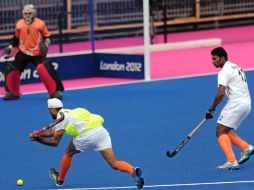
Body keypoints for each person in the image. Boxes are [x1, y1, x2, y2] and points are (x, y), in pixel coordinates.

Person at [29, 98, 144, 188]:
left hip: (86, 136)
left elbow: (55, 142)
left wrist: (37, 139)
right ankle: (132, 171)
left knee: (68, 153)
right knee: (114, 164)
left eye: (49, 110)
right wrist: (38, 133)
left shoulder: (60, 118)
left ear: (52, 110)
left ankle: (59, 180)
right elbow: (53, 131)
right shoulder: (69, 112)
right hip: (101, 132)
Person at [2, 4, 64, 100]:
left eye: (29, 13)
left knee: (45, 68)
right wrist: (10, 47)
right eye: (25, 13)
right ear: (23, 13)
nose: (27, 15)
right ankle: (12, 92)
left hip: (37, 53)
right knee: (12, 69)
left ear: (34, 13)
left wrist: (46, 43)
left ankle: (55, 91)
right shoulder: (19, 24)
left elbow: (48, 36)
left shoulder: (40, 24)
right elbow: (15, 39)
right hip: (22, 53)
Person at [206, 47, 253, 170]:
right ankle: (246, 147)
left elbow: (221, 92)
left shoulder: (224, 71)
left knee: (220, 130)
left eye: (215, 58)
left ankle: (232, 161)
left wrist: (212, 108)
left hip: (236, 103)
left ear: (223, 58)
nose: (212, 61)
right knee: (224, 130)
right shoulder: (236, 66)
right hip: (246, 104)